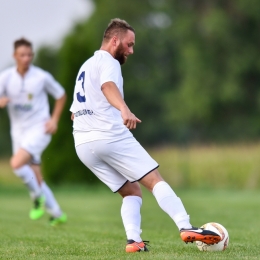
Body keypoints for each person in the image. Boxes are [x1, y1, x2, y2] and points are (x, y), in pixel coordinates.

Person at [70, 18, 221, 252]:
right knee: (154, 180)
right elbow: (108, 87)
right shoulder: (109, 62)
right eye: (129, 45)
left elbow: (73, 113)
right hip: (108, 136)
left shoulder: (86, 66)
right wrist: (123, 108)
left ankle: (134, 242)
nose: (131, 51)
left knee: (131, 190)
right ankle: (186, 226)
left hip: (82, 144)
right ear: (114, 40)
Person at [0, 38, 67, 226]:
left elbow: (61, 95)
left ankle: (37, 198)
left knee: (16, 164)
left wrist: (54, 120)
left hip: (40, 128)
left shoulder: (41, 76)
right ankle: (57, 213)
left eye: (29, 54)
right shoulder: (6, 77)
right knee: (34, 174)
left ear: (32, 55)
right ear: (15, 56)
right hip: (18, 132)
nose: (26, 58)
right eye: (22, 55)